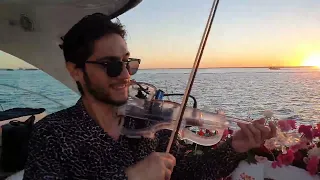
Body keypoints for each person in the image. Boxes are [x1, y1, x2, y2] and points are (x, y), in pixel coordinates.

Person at [23, 13, 277, 180]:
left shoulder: (148, 121)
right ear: (75, 70)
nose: (125, 75)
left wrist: (235, 147)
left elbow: (187, 172)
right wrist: (130, 178)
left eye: (127, 62)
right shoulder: (52, 135)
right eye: (111, 65)